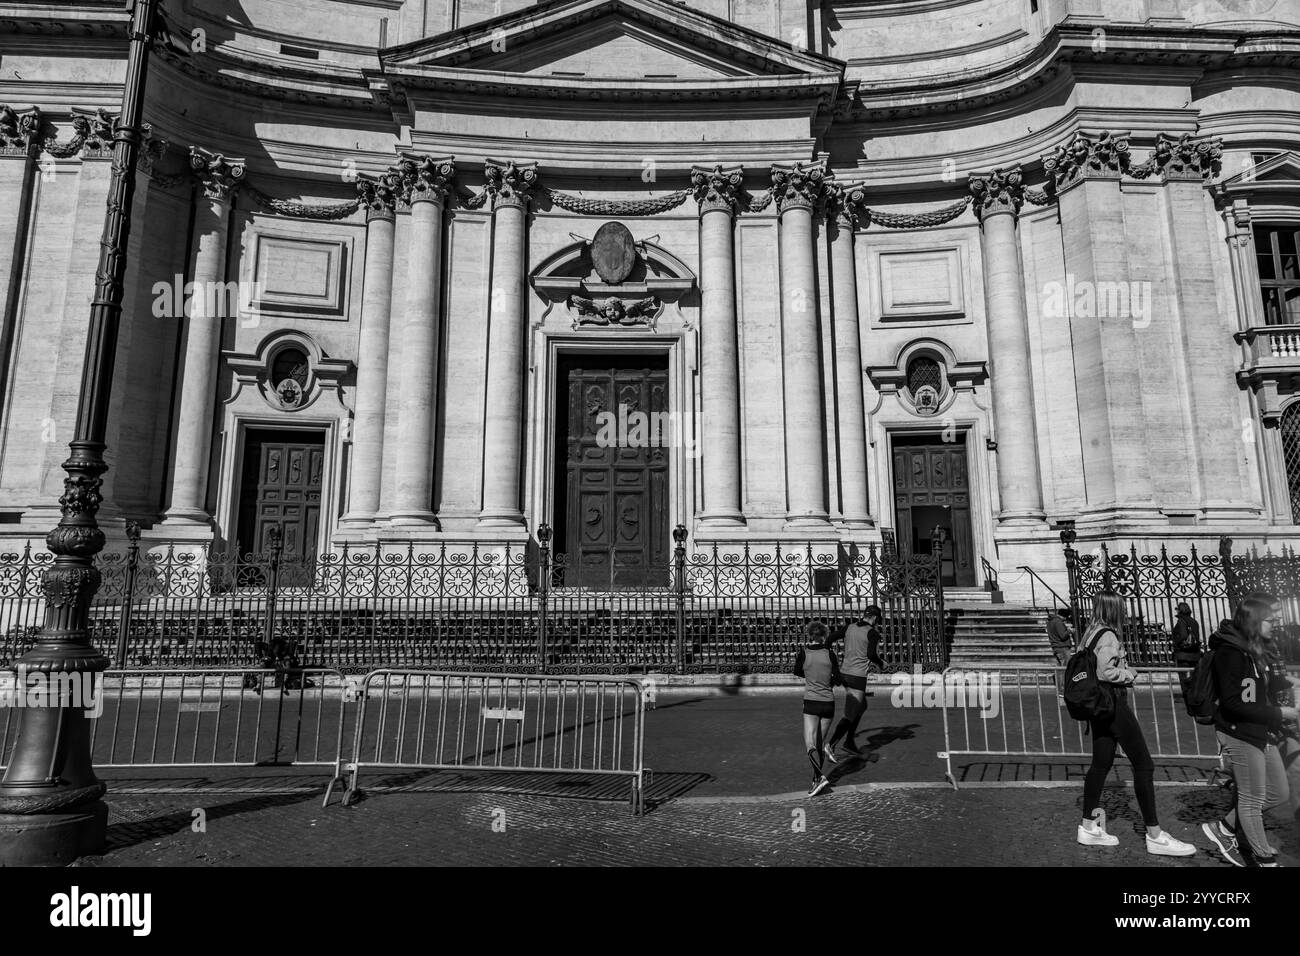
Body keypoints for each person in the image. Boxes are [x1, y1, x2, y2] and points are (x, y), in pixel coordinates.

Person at [1075, 592, 1197, 856]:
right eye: (1122, 608)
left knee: (1101, 764)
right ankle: (1154, 834)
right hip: (1113, 704)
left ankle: (1088, 826)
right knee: (1144, 764)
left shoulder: (1089, 633)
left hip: (1098, 707)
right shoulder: (1107, 635)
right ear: (1113, 610)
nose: (1125, 612)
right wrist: (1130, 673)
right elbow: (1106, 672)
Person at [1199, 597, 1298, 867]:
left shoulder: (1252, 648)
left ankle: (1224, 828)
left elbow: (1254, 687)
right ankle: (1264, 858)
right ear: (1255, 620)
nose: (1276, 624)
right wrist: (1280, 714)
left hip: (1259, 729)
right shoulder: (1231, 653)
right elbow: (1235, 703)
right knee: (1252, 800)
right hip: (1239, 733)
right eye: (1272, 620)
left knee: (1278, 793)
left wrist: (1286, 681)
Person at [827, 605, 885, 757]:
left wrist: (830, 659)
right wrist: (881, 663)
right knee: (850, 714)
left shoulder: (850, 627)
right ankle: (831, 744)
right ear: (874, 618)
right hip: (857, 677)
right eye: (878, 619)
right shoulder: (872, 633)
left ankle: (849, 742)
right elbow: (871, 655)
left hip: (845, 673)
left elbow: (829, 639)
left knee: (862, 706)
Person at [793, 621, 841, 797]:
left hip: (811, 701)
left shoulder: (804, 653)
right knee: (820, 744)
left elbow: (797, 671)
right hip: (829, 702)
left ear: (809, 635)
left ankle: (820, 777)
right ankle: (816, 780)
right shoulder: (830, 653)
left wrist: (810, 675)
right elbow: (837, 679)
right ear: (824, 635)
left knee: (810, 744)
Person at [1171, 603, 1202, 697]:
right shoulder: (1194, 621)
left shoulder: (1181, 621)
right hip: (1194, 652)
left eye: (1177, 609)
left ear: (1180, 610)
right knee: (1194, 676)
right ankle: (1195, 693)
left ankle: (1187, 695)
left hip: (1183, 653)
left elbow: (1183, 635)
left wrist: (1176, 642)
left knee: (1183, 677)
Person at [1046, 606, 1074, 697]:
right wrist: (1070, 631)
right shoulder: (1058, 622)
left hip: (1056, 648)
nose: (1065, 620)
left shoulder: (1050, 621)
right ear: (1063, 616)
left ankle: (1060, 689)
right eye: (1065, 618)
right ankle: (1062, 690)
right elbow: (1063, 636)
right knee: (1064, 669)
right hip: (1062, 648)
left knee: (1060, 669)